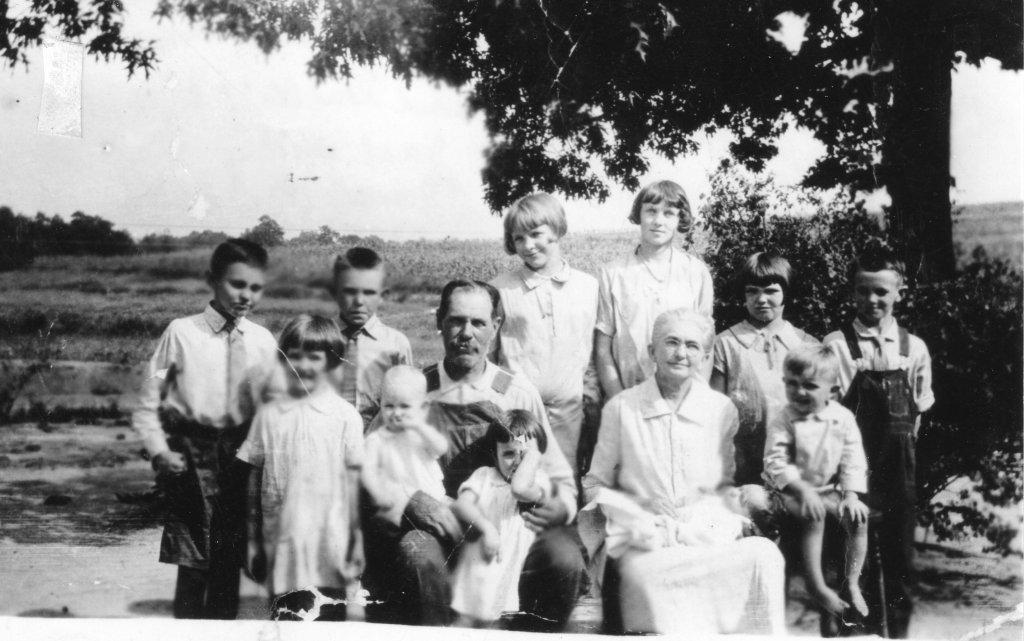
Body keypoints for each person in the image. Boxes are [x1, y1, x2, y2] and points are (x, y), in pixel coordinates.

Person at [361, 279, 585, 632]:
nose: (466, 333)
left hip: (506, 528)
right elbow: (368, 465)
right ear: (439, 321)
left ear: (495, 327)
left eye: (479, 323)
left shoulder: (515, 392)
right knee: (416, 554)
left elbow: (558, 474)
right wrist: (409, 500)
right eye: (456, 320)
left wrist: (554, 501)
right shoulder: (416, 390)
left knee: (565, 559)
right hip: (436, 530)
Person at [583, 308, 785, 635]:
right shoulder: (622, 408)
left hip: (704, 531)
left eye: (692, 346)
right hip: (647, 535)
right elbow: (595, 485)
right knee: (647, 575)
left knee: (765, 556)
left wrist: (716, 511)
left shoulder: (720, 409)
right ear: (652, 351)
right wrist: (638, 508)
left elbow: (722, 487)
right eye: (671, 343)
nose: (681, 353)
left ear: (705, 356)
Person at [131, 238, 280, 619]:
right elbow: (150, 402)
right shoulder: (182, 333)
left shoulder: (263, 341)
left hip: (241, 457)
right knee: (194, 563)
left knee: (229, 563)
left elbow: (274, 406)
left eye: (255, 287)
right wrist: (161, 451)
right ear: (212, 280)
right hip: (193, 459)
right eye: (237, 284)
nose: (246, 295)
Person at [822, 247, 934, 638]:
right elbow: (826, 416)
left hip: (897, 471)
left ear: (899, 292)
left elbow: (917, 414)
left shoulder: (913, 348)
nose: (872, 300)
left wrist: (901, 458)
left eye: (882, 292)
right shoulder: (836, 345)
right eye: (863, 290)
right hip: (853, 474)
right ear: (852, 292)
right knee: (854, 565)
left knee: (900, 565)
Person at [237, 315, 364, 621]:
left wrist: (356, 542)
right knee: (287, 619)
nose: (303, 365)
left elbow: (353, 486)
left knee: (329, 619)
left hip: (330, 546)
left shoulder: (346, 417)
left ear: (333, 361)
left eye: (314, 357)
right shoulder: (269, 415)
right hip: (281, 545)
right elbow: (253, 476)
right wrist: (253, 540)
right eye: (295, 356)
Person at [489, 193, 599, 474]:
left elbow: (595, 351)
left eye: (536, 234)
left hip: (570, 411)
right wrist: (503, 400)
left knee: (565, 483)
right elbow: (490, 358)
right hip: (518, 412)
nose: (528, 245)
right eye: (518, 238)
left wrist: (590, 399)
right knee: (519, 483)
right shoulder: (502, 289)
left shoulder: (588, 287)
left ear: (557, 230)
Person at [763, 344, 870, 620]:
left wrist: (851, 495)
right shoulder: (783, 418)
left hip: (827, 490)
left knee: (858, 519)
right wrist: (802, 490)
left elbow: (853, 458)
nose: (799, 392)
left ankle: (852, 582)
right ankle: (817, 586)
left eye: (809, 386)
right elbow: (776, 462)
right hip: (787, 492)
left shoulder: (843, 418)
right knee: (815, 515)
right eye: (792, 384)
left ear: (832, 391)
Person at [594, 180, 714, 400]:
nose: (658, 221)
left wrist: (696, 398)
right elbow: (602, 349)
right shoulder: (613, 273)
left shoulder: (696, 273)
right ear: (638, 215)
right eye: (651, 211)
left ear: (680, 219)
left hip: (683, 397)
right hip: (629, 396)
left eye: (668, 213)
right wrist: (618, 400)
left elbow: (707, 345)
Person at [710, 252, 818, 485]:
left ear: (786, 293)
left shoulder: (806, 344)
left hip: (793, 456)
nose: (761, 299)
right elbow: (715, 408)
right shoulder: (726, 343)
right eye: (752, 291)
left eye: (770, 291)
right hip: (743, 457)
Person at [450, 409, 553, 626]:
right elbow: (462, 504)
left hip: (520, 566)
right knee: (472, 621)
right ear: (494, 455)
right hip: (485, 561)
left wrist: (533, 456)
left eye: (524, 455)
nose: (516, 461)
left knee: (505, 622)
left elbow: (519, 488)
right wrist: (487, 528)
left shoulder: (540, 481)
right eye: (508, 454)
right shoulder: (485, 476)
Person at [331, 247, 414, 426]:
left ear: (382, 296)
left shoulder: (395, 344)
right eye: (350, 291)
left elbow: (407, 400)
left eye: (369, 292)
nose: (359, 301)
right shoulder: (321, 336)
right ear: (334, 292)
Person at [361, 365, 449, 527]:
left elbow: (441, 448)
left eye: (404, 406)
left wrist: (419, 427)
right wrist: (379, 495)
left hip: (436, 498)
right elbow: (367, 473)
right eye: (389, 406)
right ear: (380, 405)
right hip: (402, 507)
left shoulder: (420, 434)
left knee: (462, 518)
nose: (396, 413)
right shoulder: (376, 440)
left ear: (423, 408)